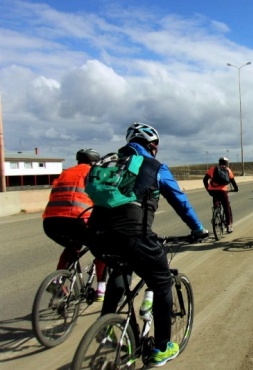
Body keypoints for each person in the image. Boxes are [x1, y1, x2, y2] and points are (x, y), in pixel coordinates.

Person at [86, 122, 208, 367]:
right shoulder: (155, 167)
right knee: (162, 281)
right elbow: (180, 202)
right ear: (152, 146)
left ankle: (109, 326)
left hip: (97, 235)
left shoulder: (111, 163)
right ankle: (162, 348)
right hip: (134, 236)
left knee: (120, 270)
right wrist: (197, 229)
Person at [42, 148, 107, 301]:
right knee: (102, 247)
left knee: (72, 247)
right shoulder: (94, 172)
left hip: (50, 222)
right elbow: (103, 198)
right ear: (94, 162)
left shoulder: (65, 173)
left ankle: (57, 282)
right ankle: (101, 290)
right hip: (77, 219)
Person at [203, 157, 239, 233]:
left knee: (215, 199)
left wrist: (208, 188)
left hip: (212, 190)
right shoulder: (228, 170)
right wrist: (236, 188)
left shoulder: (213, 169)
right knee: (226, 207)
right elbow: (233, 181)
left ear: (219, 162)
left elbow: (205, 179)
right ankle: (229, 226)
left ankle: (216, 211)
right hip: (222, 191)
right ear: (226, 163)